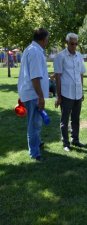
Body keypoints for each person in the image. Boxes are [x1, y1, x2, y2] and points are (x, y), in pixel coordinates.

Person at [17, 28, 49, 161]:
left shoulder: (30, 49)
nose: (48, 41)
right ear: (42, 39)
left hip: (29, 92)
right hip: (33, 94)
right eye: (47, 39)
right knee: (34, 123)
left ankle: (38, 142)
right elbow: (35, 78)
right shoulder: (35, 52)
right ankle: (34, 152)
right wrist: (41, 97)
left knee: (36, 121)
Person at [54, 33, 86, 152]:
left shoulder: (79, 56)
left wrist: (82, 91)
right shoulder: (60, 56)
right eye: (72, 43)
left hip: (77, 92)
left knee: (76, 118)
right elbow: (57, 76)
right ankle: (66, 143)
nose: (74, 46)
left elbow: (81, 73)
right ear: (67, 43)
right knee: (65, 120)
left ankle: (75, 140)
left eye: (76, 43)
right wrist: (58, 95)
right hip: (66, 93)